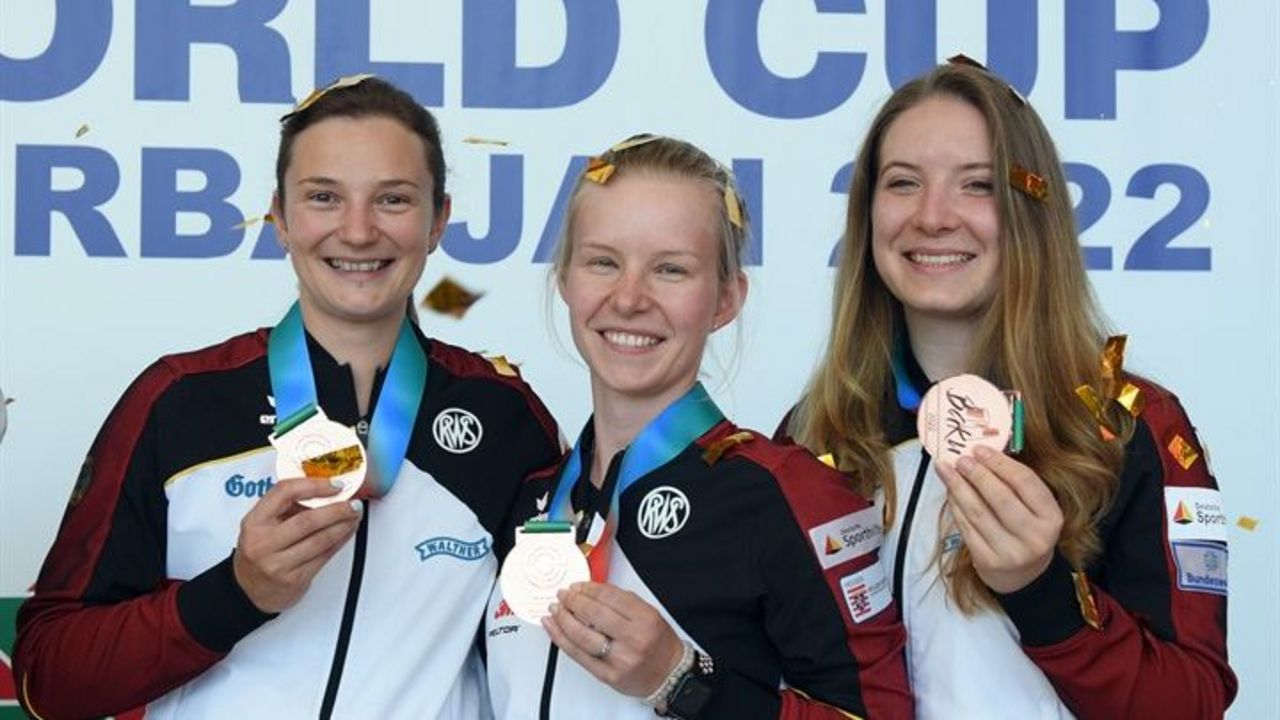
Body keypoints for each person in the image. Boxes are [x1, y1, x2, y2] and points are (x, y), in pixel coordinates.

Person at [14, 76, 561, 719]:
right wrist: (237, 593)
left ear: (439, 219)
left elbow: (543, 666)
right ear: (278, 217)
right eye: (324, 197)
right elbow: (49, 678)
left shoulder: (505, 418)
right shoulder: (181, 401)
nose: (357, 232)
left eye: (393, 199)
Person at [781, 59, 1236, 718]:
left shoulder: (1132, 426)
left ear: (1032, 210)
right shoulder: (814, 431)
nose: (933, 217)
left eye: (977, 185)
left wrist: (1043, 590)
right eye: (903, 182)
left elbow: (1193, 704)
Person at [484, 134, 913, 719]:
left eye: (671, 269)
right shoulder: (529, 498)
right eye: (603, 262)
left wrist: (684, 682)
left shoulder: (785, 494)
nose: (629, 298)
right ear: (565, 279)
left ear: (726, 299)